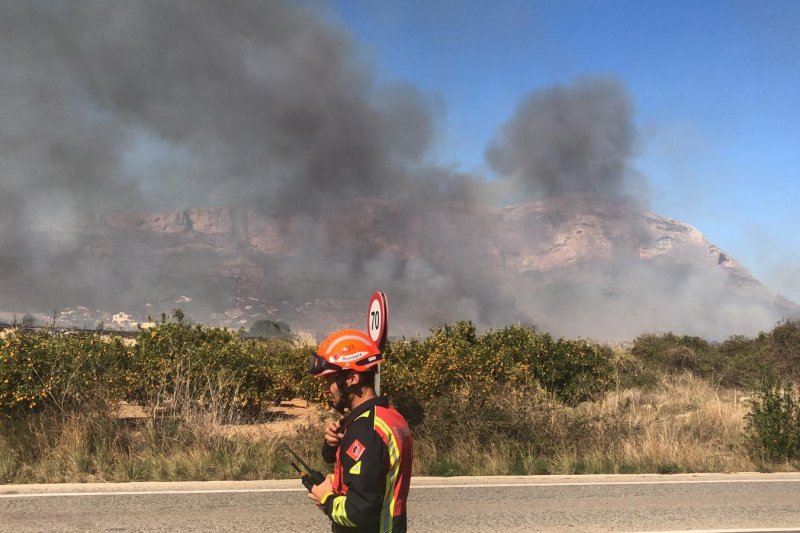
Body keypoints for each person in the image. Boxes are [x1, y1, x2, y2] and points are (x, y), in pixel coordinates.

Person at [306, 329, 413, 532]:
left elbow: (360, 511)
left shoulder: (367, 430)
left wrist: (326, 498)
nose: (327, 388)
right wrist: (332, 446)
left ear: (353, 378)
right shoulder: (389, 416)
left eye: (330, 380)